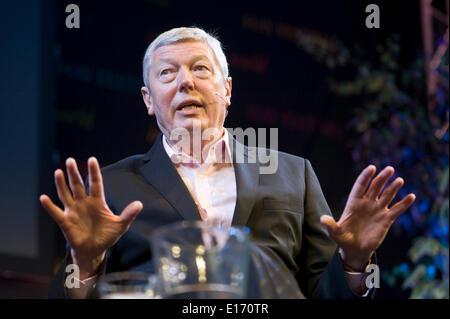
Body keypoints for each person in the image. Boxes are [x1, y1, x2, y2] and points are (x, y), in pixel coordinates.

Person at [41, 27, 416, 299]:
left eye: (200, 69)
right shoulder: (113, 187)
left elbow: (323, 292)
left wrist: (353, 261)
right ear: (148, 100)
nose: (185, 82)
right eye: (167, 73)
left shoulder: (293, 174)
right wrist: (86, 263)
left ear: (228, 89)